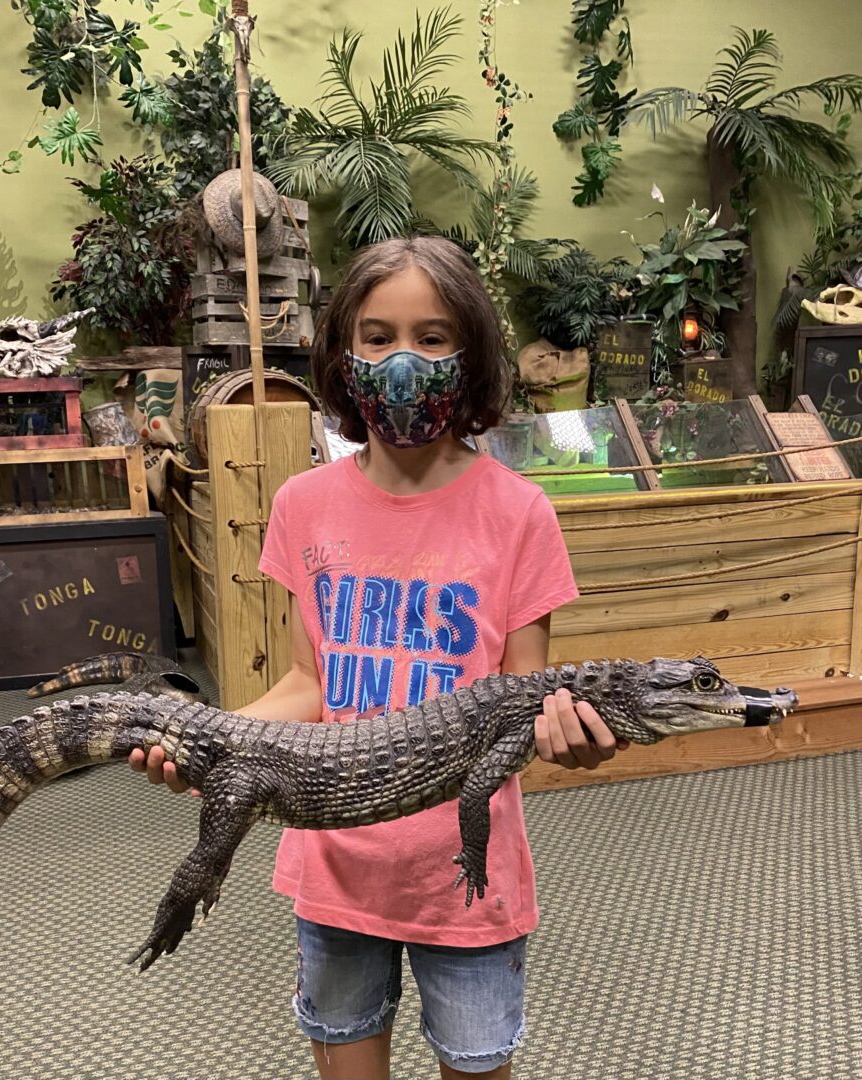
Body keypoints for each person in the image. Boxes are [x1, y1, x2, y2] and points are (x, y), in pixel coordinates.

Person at [130, 236, 629, 1079]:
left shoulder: (520, 514)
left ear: (470, 353)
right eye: (378, 335)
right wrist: (207, 737)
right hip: (335, 868)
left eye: (433, 338)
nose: (404, 359)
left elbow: (521, 706)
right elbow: (307, 683)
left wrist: (580, 744)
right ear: (343, 353)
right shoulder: (304, 504)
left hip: (464, 881)